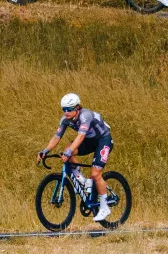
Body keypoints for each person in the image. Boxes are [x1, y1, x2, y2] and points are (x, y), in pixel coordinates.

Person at [38, 94, 114, 223]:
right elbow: (57, 137)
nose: (66, 113)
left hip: (103, 140)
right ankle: (81, 179)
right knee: (68, 149)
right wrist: (45, 150)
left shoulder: (86, 116)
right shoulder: (65, 119)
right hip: (90, 140)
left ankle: (104, 206)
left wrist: (69, 151)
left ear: (77, 108)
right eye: (64, 109)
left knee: (95, 174)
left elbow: (80, 137)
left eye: (69, 109)